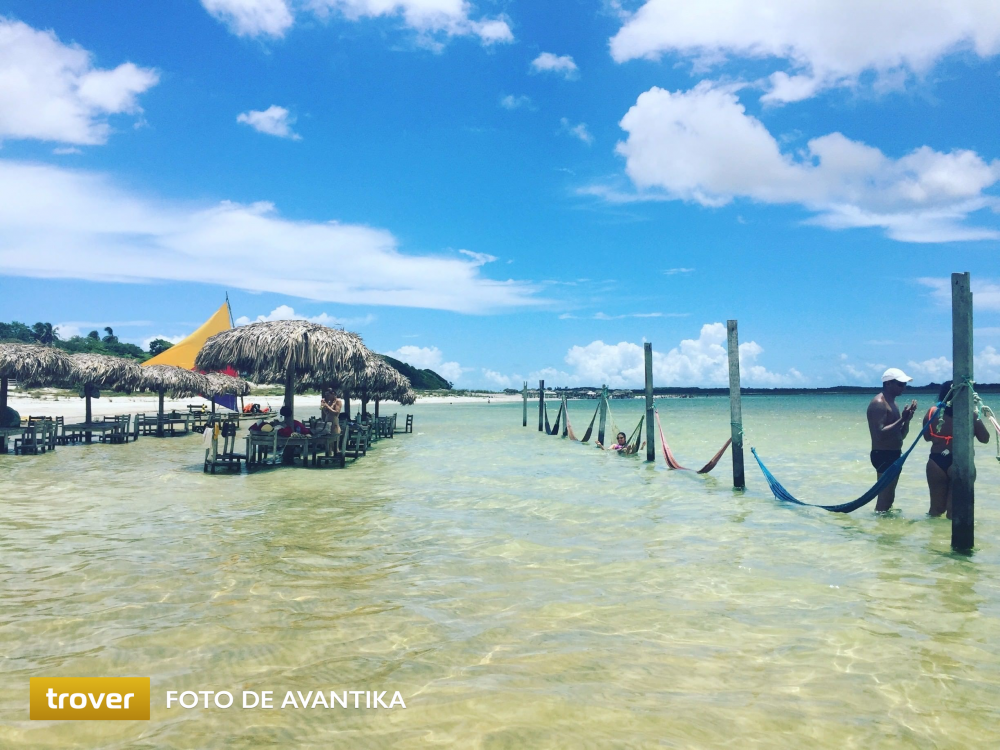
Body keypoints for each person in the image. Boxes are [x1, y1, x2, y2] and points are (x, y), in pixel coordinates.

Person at [923, 380, 990, 518]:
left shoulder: (931, 413)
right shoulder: (970, 415)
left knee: (935, 510)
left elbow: (927, 437)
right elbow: (985, 438)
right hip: (960, 461)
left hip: (936, 462)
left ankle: (933, 538)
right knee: (955, 512)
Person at [867, 368, 918, 511]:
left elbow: (901, 435)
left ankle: (886, 529)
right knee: (884, 499)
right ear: (888, 383)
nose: (904, 388)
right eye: (900, 384)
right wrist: (902, 419)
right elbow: (880, 434)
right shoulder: (879, 403)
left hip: (894, 454)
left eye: (905, 384)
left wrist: (907, 420)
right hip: (883, 454)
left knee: (889, 498)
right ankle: (879, 527)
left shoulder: (893, 404)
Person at [320, 389, 343, 456]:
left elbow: (336, 413)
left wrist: (327, 406)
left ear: (333, 394)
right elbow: (327, 413)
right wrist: (323, 406)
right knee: (328, 445)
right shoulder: (330, 402)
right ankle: (328, 460)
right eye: (326, 395)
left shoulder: (338, 401)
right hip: (328, 423)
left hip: (334, 424)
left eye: (328, 395)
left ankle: (337, 459)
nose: (327, 397)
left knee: (335, 445)